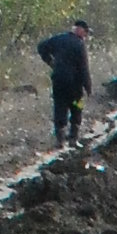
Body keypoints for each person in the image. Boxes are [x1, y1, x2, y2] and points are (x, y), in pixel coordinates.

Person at [37, 14, 95, 148]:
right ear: (79, 30)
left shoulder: (58, 39)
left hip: (58, 81)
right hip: (75, 85)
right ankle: (73, 139)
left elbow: (41, 47)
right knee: (77, 108)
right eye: (85, 32)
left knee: (60, 107)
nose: (86, 35)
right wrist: (88, 87)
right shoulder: (79, 44)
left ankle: (60, 140)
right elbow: (84, 68)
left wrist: (50, 62)